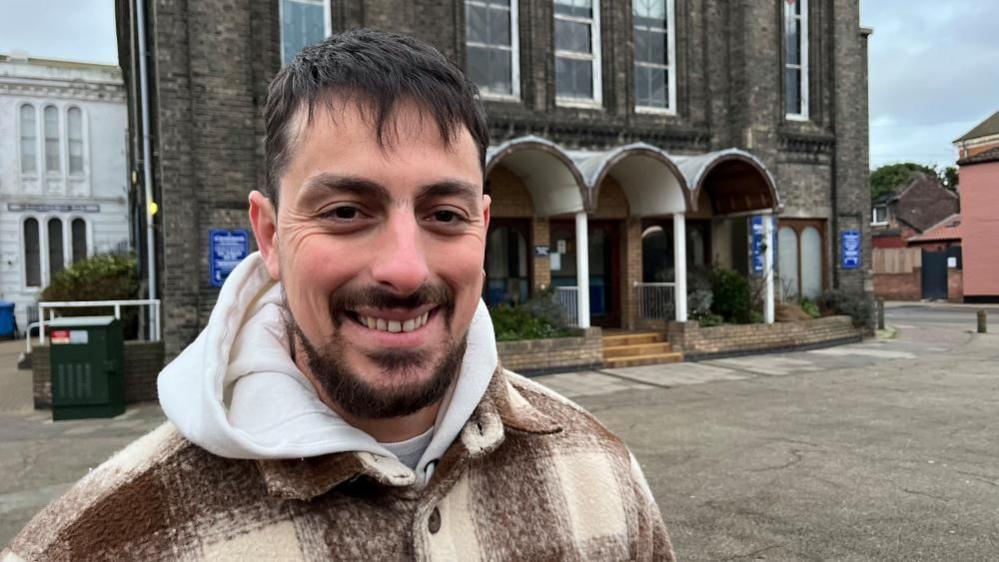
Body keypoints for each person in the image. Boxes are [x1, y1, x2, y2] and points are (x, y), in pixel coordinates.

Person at [3, 29, 674, 561]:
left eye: (444, 214)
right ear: (268, 234)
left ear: (483, 227)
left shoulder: (602, 473)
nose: (405, 271)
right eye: (347, 211)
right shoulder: (92, 544)